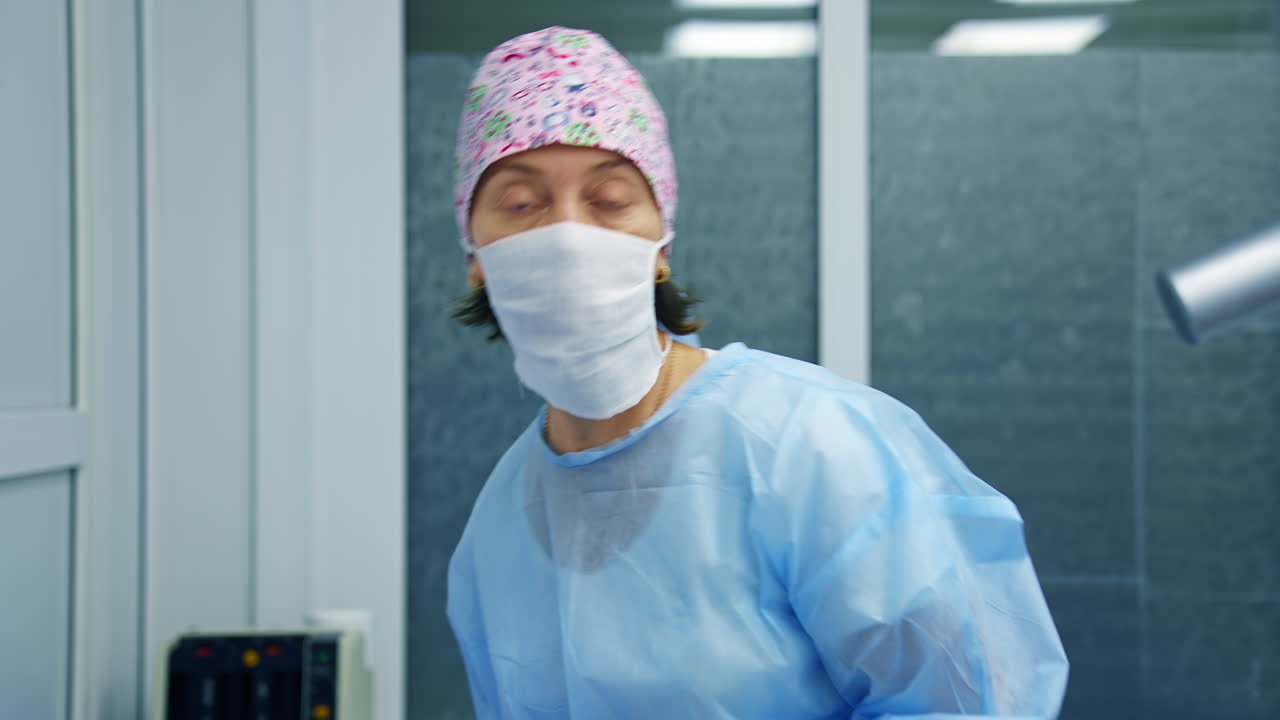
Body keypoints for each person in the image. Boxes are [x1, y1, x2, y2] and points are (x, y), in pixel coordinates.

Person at [446, 26, 1069, 720]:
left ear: (660, 244)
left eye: (611, 200)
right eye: (522, 204)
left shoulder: (809, 447)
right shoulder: (501, 528)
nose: (568, 237)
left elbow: (971, 700)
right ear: (476, 253)